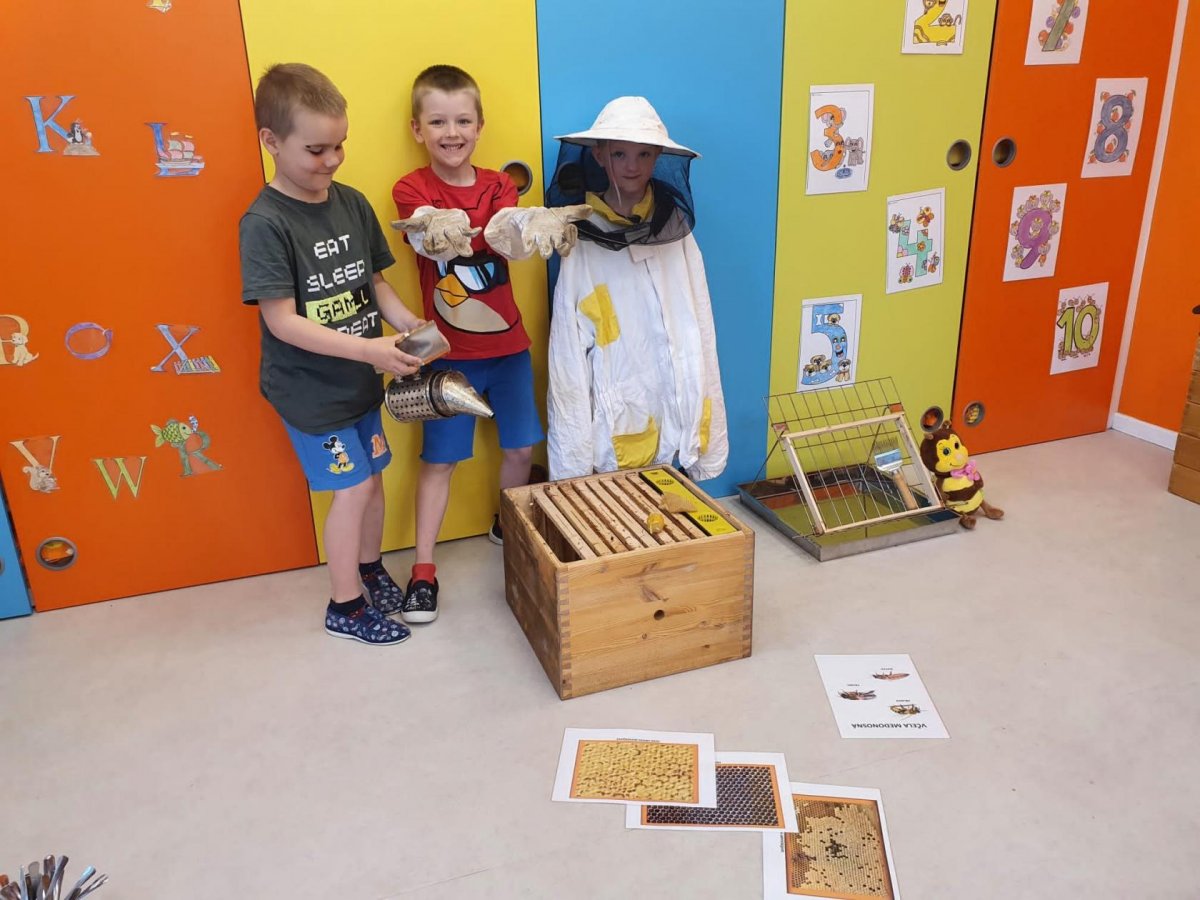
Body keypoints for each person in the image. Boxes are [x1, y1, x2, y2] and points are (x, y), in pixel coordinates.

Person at [392, 65, 587, 624]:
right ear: (417, 129)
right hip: (445, 358)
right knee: (440, 462)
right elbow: (421, 230)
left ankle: (510, 527)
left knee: (521, 451)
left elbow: (510, 229)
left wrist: (529, 224)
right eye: (437, 122)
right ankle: (423, 571)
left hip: (508, 351)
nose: (451, 132)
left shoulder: (499, 184)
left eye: (462, 121)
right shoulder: (411, 187)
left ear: (480, 126)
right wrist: (431, 224)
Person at [239, 63, 425, 646]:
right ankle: (344, 605)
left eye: (340, 145)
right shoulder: (265, 223)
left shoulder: (351, 203)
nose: (332, 161)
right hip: (310, 393)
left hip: (360, 382)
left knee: (373, 478)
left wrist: (406, 323)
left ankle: (368, 568)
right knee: (353, 489)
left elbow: (375, 283)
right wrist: (369, 347)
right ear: (271, 141)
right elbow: (282, 321)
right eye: (316, 150)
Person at [545, 96, 728, 482]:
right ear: (599, 156)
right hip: (618, 420)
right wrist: (571, 469)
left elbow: (701, 324)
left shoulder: (674, 228)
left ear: (658, 156)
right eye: (620, 154)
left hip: (674, 414)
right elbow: (567, 354)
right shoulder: (582, 237)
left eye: (644, 154)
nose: (632, 166)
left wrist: (709, 448)